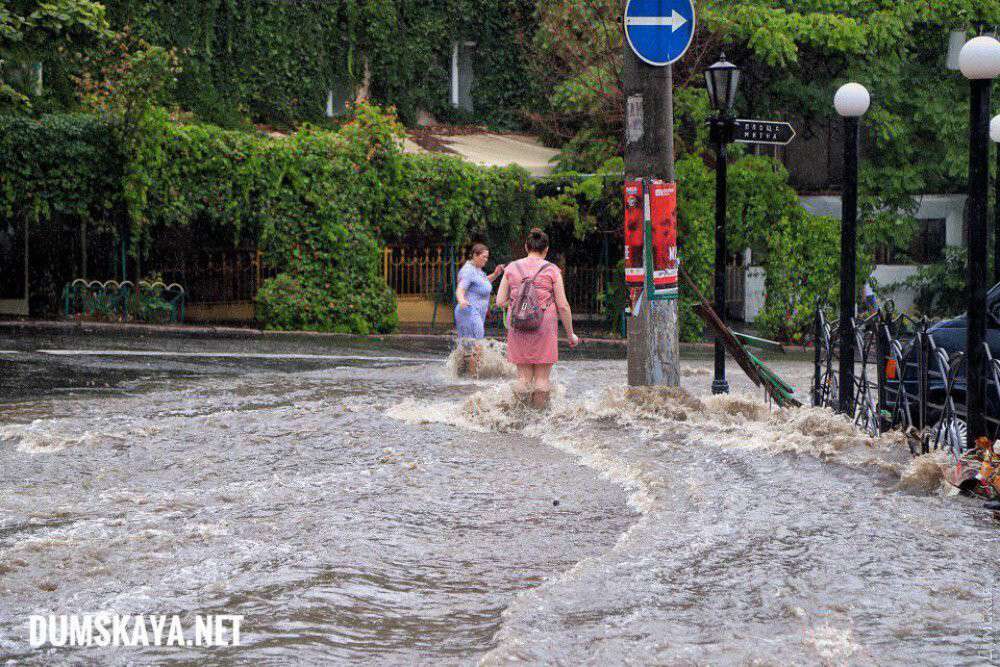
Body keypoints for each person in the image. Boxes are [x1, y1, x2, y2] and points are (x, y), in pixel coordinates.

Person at [496, 228, 579, 409]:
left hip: (518, 324)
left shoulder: (511, 268)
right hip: (544, 324)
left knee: (523, 379)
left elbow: (500, 300)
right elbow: (563, 305)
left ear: (526, 247)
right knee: (542, 379)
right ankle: (538, 419)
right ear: (546, 249)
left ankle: (518, 415)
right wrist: (571, 334)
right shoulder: (552, 270)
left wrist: (519, 303)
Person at [455, 243, 504, 375]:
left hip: (475, 314)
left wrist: (495, 274)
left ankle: (462, 376)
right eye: (483, 257)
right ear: (475, 255)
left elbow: (482, 283)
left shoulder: (477, 270)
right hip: (469, 312)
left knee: (468, 347)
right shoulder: (468, 271)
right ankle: (472, 378)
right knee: (477, 346)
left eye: (487, 257)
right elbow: (460, 289)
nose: (486, 260)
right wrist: (461, 300)